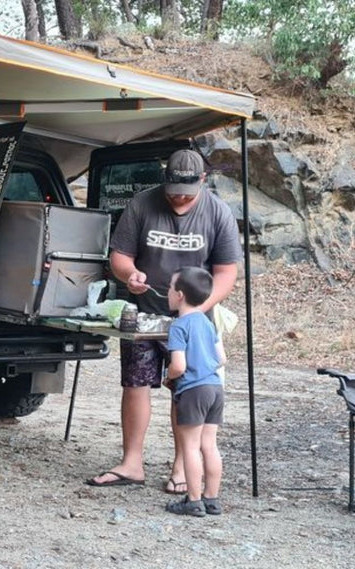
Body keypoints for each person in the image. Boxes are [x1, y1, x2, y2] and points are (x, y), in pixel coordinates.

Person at [86, 148, 241, 491]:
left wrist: (199, 308)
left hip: (194, 320)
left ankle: (182, 469)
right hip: (144, 315)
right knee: (136, 384)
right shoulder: (142, 204)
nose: (179, 199)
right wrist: (130, 275)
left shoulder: (217, 212)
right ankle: (132, 463)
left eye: (187, 193)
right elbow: (120, 256)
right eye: (173, 192)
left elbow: (227, 273)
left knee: (186, 389)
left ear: (203, 181)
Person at [163, 267, 226, 516]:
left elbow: (179, 365)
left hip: (193, 390)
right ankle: (212, 498)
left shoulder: (179, 326)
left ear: (179, 295)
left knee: (190, 446)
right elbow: (221, 359)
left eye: (169, 287)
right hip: (215, 387)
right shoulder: (208, 322)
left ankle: (193, 500)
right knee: (209, 445)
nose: (167, 291)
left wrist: (169, 376)